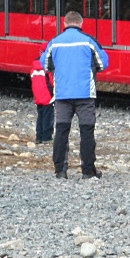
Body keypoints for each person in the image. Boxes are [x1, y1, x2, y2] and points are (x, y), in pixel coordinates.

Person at [40, 10, 109, 180]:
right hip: (85, 94)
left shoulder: (54, 43)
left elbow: (45, 64)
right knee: (87, 131)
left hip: (62, 94)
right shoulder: (89, 41)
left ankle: (60, 171)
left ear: (64, 24)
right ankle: (88, 171)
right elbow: (103, 63)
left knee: (61, 131)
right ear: (81, 23)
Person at [30, 59, 55, 144]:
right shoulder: (47, 70)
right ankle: (46, 137)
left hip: (38, 97)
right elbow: (52, 83)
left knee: (40, 116)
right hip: (47, 97)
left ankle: (38, 137)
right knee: (48, 117)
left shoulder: (33, 70)